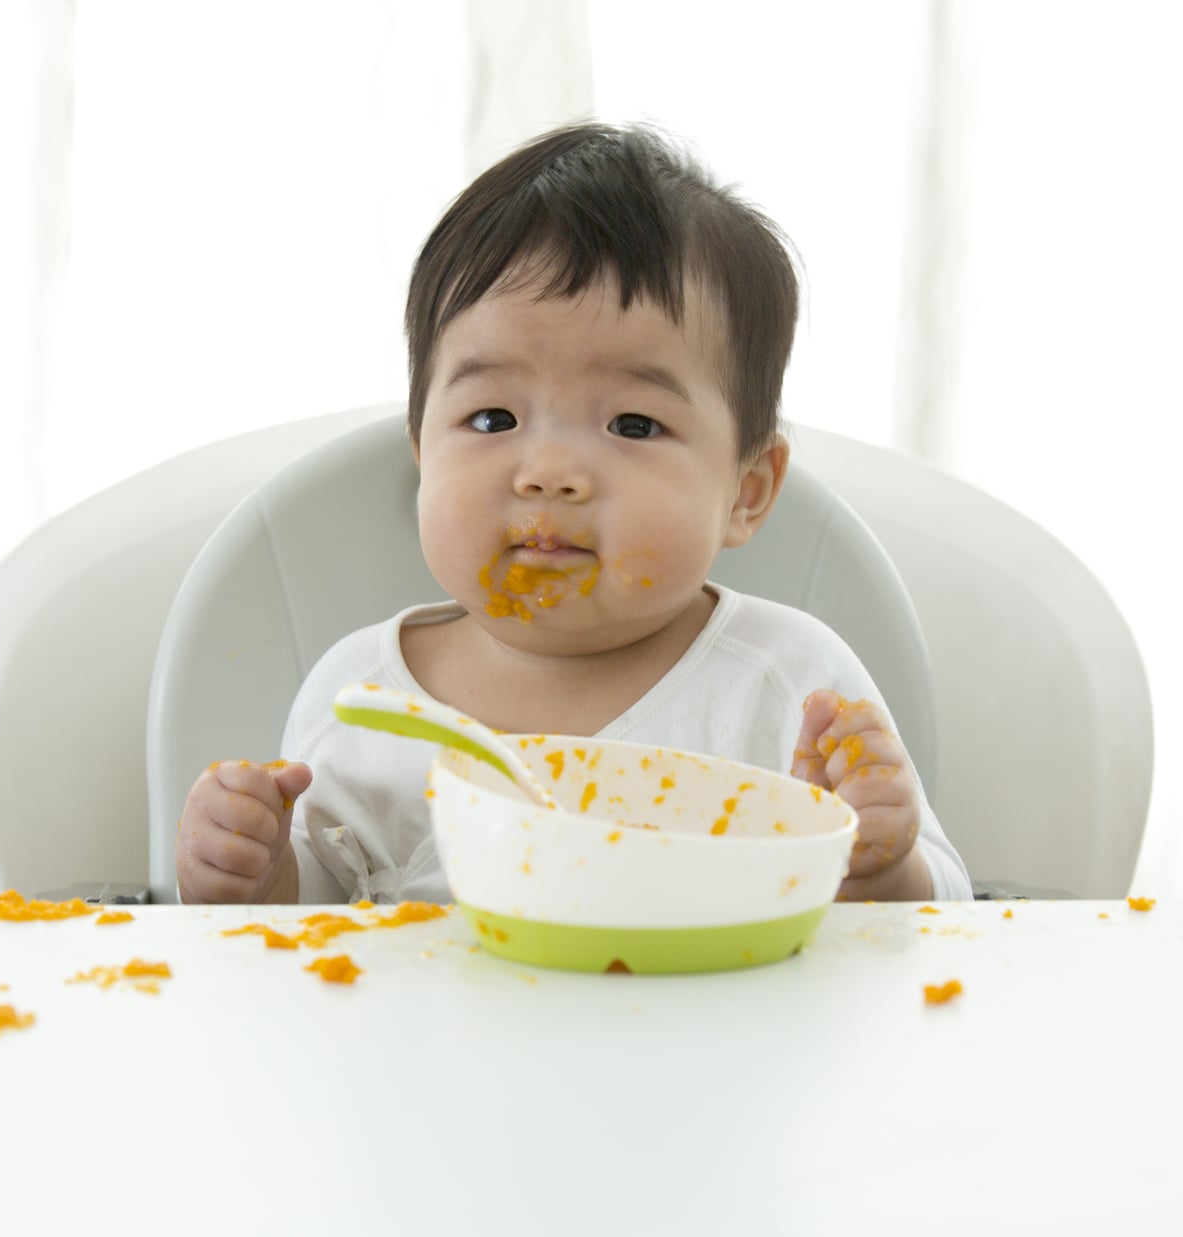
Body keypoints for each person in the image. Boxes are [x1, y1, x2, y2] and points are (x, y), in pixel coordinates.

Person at [175, 121, 970, 907]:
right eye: (492, 419)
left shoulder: (790, 689)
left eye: (632, 425)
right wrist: (259, 871)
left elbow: (951, 918)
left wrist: (881, 871)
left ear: (747, 490)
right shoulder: (363, 702)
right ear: (422, 453)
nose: (550, 474)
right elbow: (320, 919)